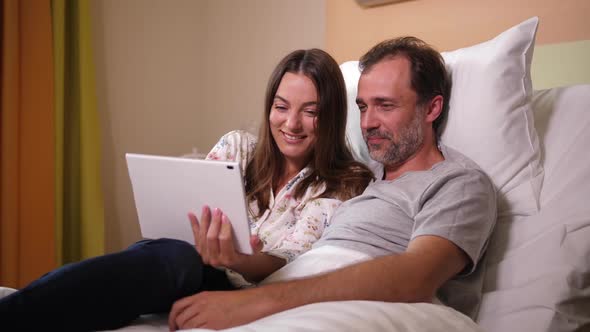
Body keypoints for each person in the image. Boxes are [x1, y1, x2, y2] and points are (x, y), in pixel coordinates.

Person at [0, 49, 373, 331]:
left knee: (178, 260)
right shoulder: (238, 148)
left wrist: (236, 258)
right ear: (269, 108)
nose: (291, 123)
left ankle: (12, 314)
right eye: (281, 107)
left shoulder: (345, 183)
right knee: (166, 257)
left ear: (333, 115)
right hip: (179, 262)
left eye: (311, 111)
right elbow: (186, 211)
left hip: (235, 287)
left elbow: (289, 261)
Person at [167, 36, 497, 330]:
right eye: (363, 107)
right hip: (291, 290)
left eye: (385, 105)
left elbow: (415, 277)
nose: (368, 123)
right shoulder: (367, 176)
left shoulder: (459, 182)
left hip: (332, 303)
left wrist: (256, 302)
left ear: (432, 108)